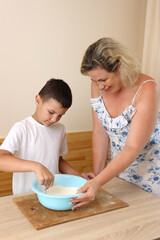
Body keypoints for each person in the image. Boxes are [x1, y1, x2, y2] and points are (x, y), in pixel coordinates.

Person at [70, 37, 160, 210]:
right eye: (94, 80)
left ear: (119, 66)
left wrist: (99, 181)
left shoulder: (147, 89)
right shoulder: (98, 86)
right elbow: (99, 132)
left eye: (103, 79)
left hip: (151, 176)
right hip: (118, 172)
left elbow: (132, 147)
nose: (99, 85)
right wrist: (97, 177)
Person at [0, 78, 93, 195]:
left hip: (50, 194)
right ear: (38, 100)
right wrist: (36, 166)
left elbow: (57, 160)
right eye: (51, 112)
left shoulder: (60, 129)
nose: (54, 119)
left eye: (60, 115)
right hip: (25, 196)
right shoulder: (21, 128)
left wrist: (78, 176)